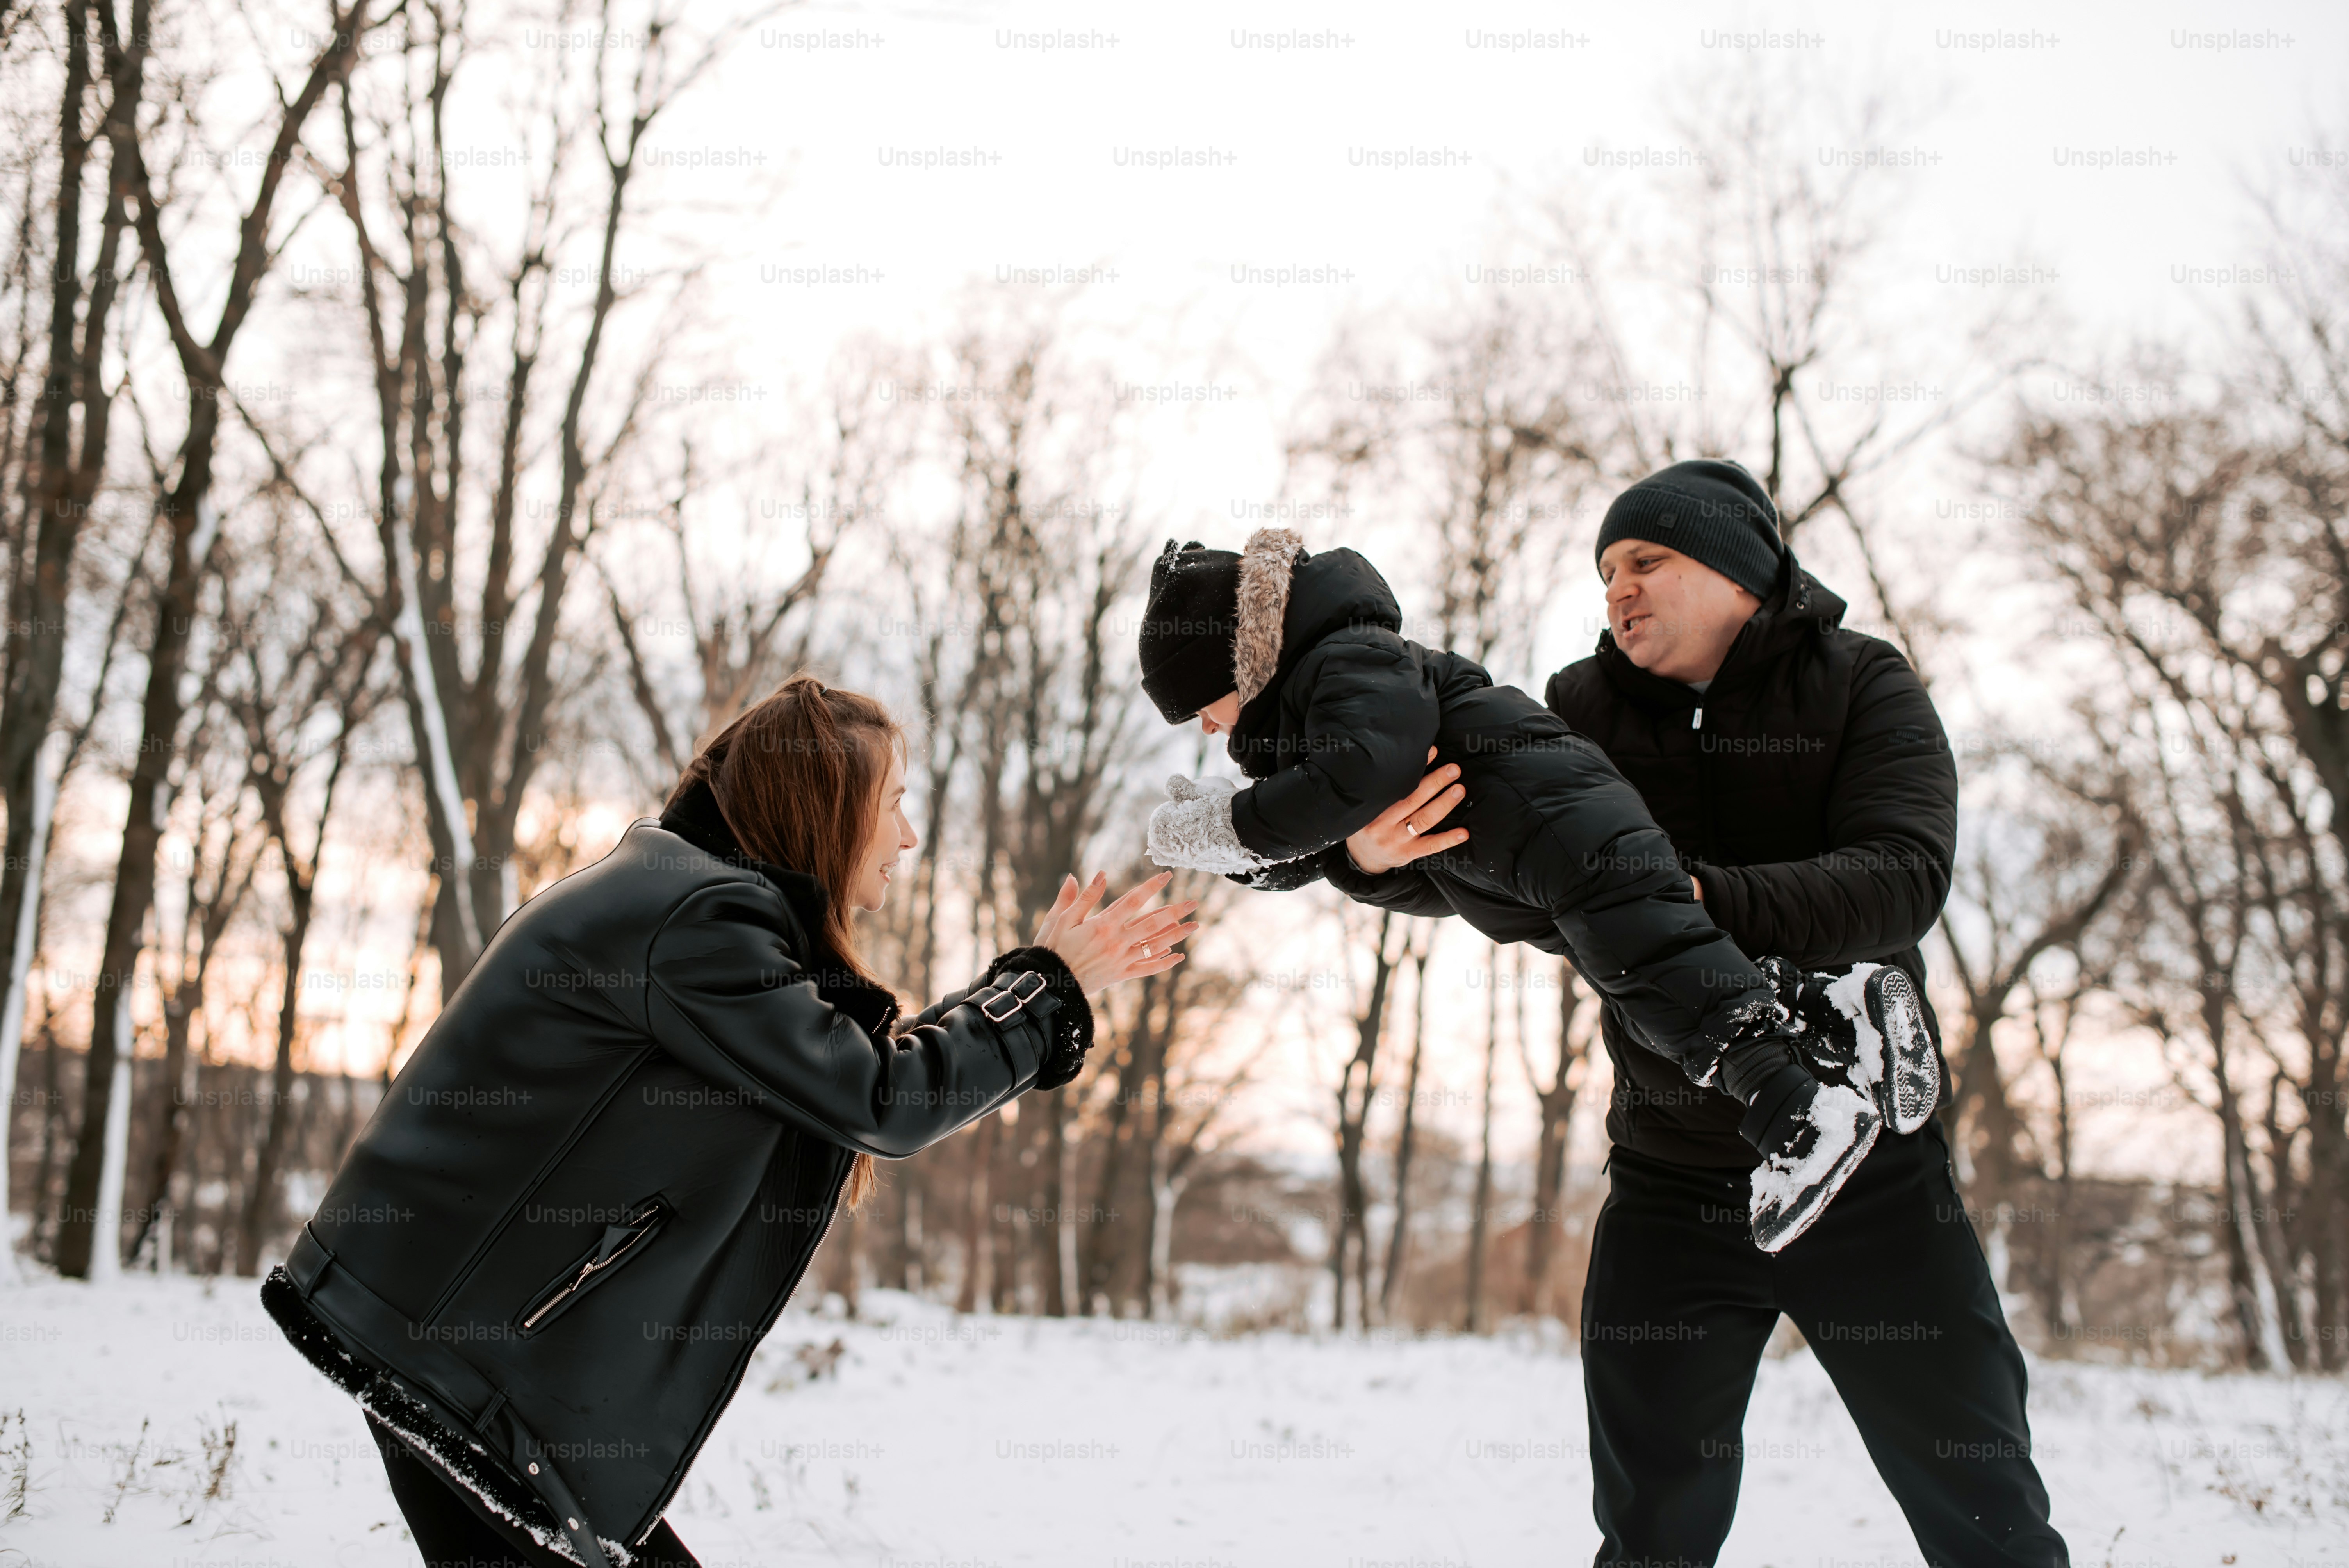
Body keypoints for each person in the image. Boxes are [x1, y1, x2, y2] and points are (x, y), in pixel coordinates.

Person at [262, 675, 1196, 1568]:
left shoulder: (684, 901)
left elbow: (846, 1070)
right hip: (451, 1351)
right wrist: (1045, 991)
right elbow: (878, 1098)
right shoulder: (697, 918)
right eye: (894, 803)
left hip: (438, 1338)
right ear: (829, 808)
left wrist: (1027, 992)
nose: (908, 837)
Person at [1134, 527, 1934, 1252]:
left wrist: (1228, 828)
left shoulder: (1347, 658)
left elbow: (1355, 776)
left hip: (1556, 826)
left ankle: (1795, 1114)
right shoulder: (1326, 692)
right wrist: (1307, 854)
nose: (1206, 727)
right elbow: (1335, 820)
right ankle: (1840, 1011)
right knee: (1652, 960)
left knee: (1653, 970)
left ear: (1235, 657)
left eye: (1198, 704)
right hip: (1529, 859)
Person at [1545, 458, 2066, 1565]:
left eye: (1645, 561)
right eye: (1605, 573)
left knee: (1986, 1514)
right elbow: (1494, 853)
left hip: (1868, 1164)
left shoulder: (1861, 683)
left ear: (1738, 572)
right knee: (1650, 1536)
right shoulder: (1579, 712)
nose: (1618, 589)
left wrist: (1692, 900)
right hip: (1673, 1173)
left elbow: (1900, 877)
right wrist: (1359, 854)